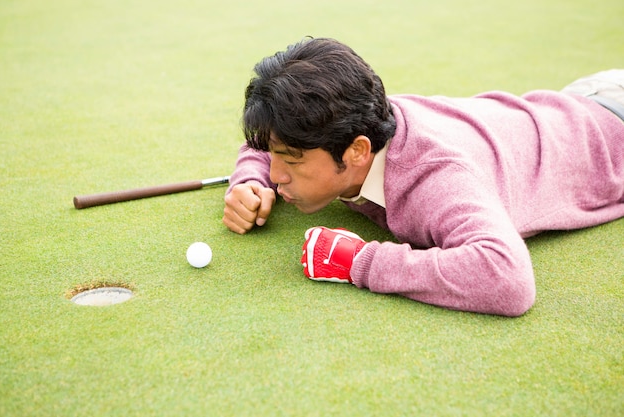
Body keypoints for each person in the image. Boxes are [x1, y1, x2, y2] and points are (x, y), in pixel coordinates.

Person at [222, 37, 624, 316]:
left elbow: (508, 278)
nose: (279, 175)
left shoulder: (435, 177)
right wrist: (250, 179)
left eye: (290, 162)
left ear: (357, 151)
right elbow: (269, 141)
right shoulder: (351, 119)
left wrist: (361, 261)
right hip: (582, 97)